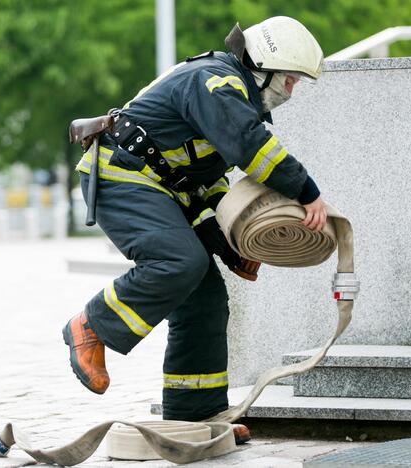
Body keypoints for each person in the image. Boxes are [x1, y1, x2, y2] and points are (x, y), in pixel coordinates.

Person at [63, 16, 327, 425]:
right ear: (263, 66)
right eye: (289, 80)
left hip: (159, 186)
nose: (290, 92)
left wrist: (227, 244)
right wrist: (306, 191)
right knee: (180, 261)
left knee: (204, 299)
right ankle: (91, 325)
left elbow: (209, 183)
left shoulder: (233, 95)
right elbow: (251, 149)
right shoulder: (218, 83)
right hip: (123, 176)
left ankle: (196, 416)